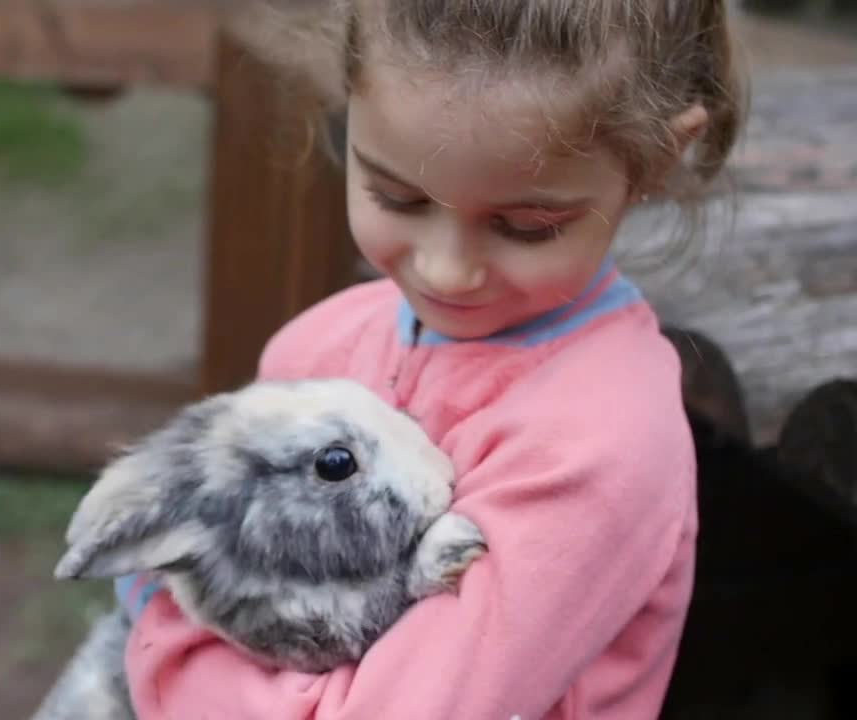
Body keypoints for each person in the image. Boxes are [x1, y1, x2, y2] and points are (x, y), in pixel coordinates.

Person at [113, 0, 746, 717]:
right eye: (398, 196)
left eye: (525, 226)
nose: (446, 272)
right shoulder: (318, 345)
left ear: (657, 157)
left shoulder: (599, 445)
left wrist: (160, 629)